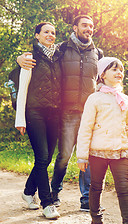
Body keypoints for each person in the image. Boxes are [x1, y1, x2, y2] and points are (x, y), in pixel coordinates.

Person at [17, 15, 103, 212]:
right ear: (75, 28)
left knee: (85, 155)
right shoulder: (62, 50)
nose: (88, 29)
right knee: (61, 156)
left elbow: (103, 77)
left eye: (91, 26)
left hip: (85, 113)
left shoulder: (97, 53)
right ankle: (52, 194)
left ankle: (86, 198)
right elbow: (26, 74)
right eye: (84, 25)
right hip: (64, 112)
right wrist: (20, 57)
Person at [76, 57, 128, 224]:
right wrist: (82, 156)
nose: (119, 73)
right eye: (114, 69)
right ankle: (96, 219)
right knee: (96, 186)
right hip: (98, 152)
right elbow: (85, 128)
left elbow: (126, 126)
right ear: (102, 74)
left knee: (124, 188)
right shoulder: (94, 99)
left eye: (121, 70)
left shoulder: (125, 99)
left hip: (120, 151)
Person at [13, 22, 62, 219]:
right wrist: (20, 120)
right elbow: (22, 90)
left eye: (53, 32)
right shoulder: (29, 59)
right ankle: (47, 203)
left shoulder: (59, 57)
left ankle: (27, 192)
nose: (50, 35)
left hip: (54, 114)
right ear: (37, 35)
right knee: (42, 157)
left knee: (47, 157)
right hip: (35, 113)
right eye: (46, 32)